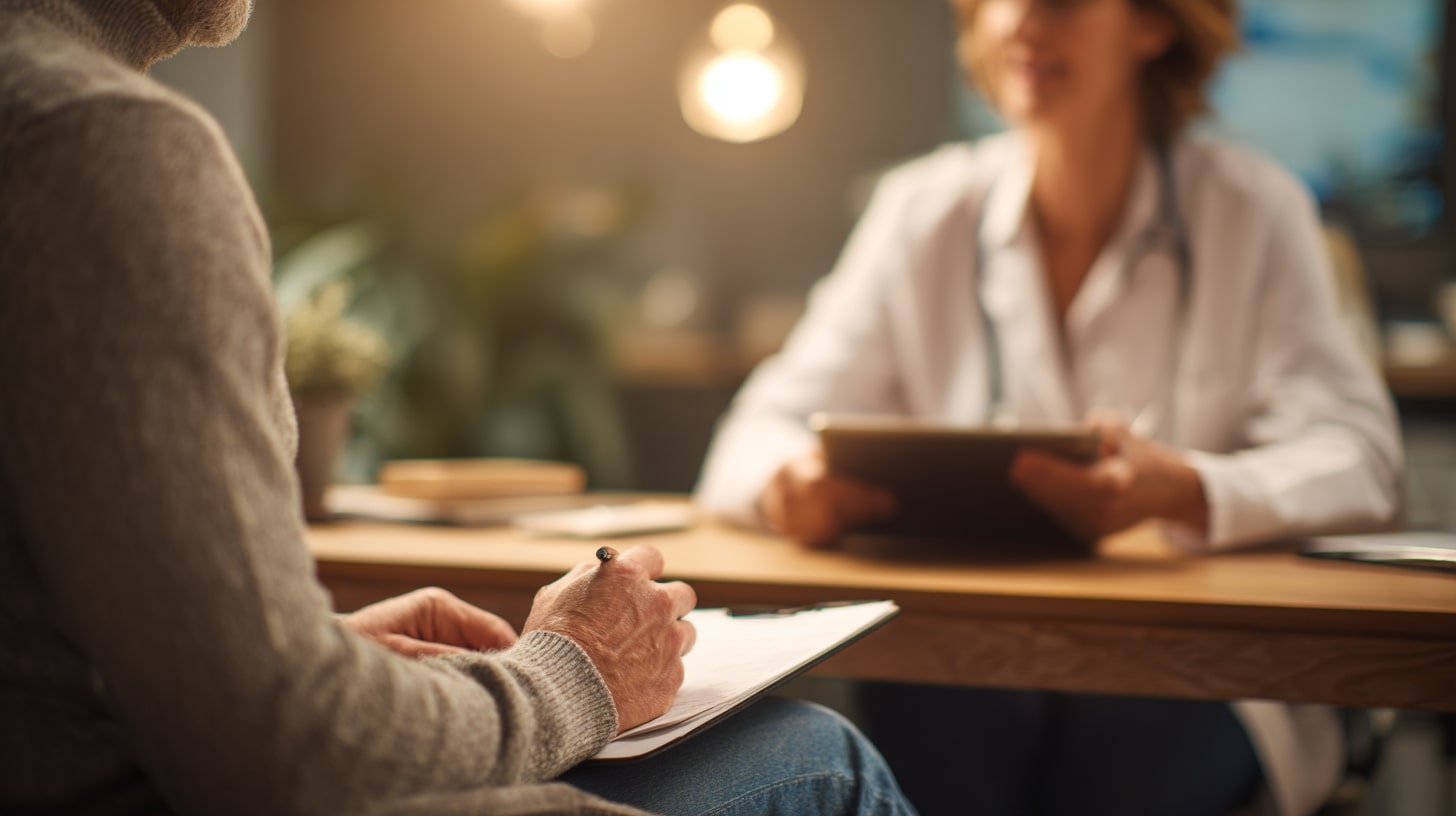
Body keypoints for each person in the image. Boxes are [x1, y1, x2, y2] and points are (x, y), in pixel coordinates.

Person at [0, 1, 917, 814]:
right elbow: (285, 752)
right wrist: (577, 673)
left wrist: (307, 648)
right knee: (816, 760)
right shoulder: (101, 142)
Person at [696, 0, 1402, 814]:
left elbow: (1359, 453)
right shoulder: (921, 210)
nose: (1021, 23)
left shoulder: (1252, 209)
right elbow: (755, 434)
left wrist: (1184, 490)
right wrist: (790, 487)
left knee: (1109, 734)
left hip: (1193, 673)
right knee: (921, 704)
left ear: (1153, 23)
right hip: (976, 663)